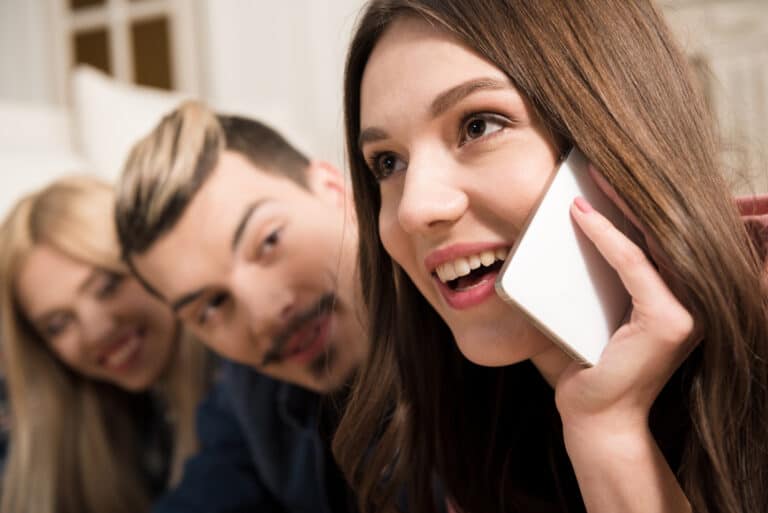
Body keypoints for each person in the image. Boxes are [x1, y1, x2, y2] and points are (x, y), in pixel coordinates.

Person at [333, 1, 768, 513]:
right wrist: (602, 422)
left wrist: (609, 438)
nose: (414, 209)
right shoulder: (469, 417)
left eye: (478, 126)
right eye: (388, 162)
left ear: (615, 130)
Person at [114, 100, 368, 512]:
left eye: (268, 242)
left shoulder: (479, 339)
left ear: (334, 192)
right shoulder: (247, 393)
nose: (264, 314)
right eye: (212, 305)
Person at [0, 176, 212, 513]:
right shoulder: (107, 420)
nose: (96, 331)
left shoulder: (250, 387)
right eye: (57, 324)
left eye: (107, 286)